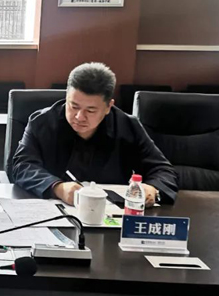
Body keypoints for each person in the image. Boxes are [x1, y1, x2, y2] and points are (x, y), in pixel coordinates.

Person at [11, 62, 178, 207]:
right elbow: (22, 166)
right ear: (66, 96)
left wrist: (153, 188)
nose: (79, 117)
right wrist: (57, 187)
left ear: (108, 107)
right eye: (74, 106)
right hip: (55, 211)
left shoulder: (127, 126)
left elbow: (162, 170)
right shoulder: (42, 122)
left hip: (110, 213)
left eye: (90, 110)